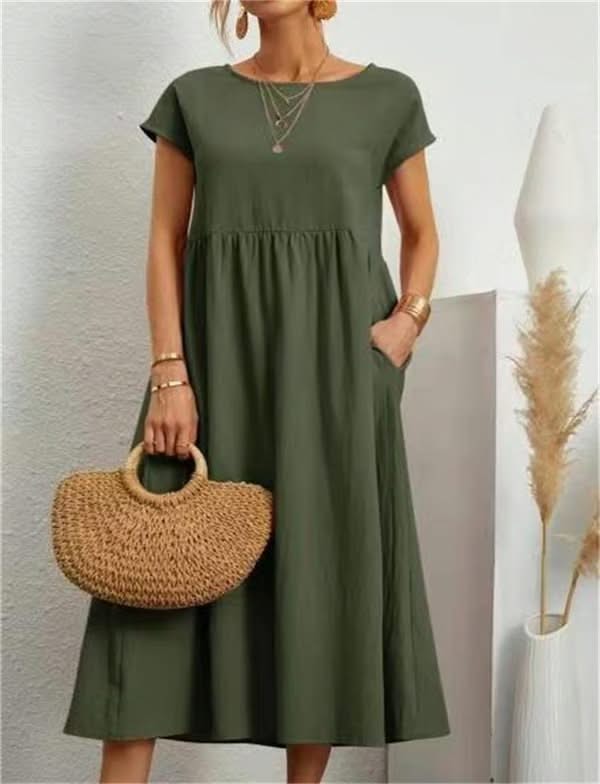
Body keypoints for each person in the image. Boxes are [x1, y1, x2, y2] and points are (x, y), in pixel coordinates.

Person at [62, 1, 450, 781]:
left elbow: (421, 232)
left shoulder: (389, 97)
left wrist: (407, 322)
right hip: (211, 364)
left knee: (323, 570)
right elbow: (165, 240)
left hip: (338, 374)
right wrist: (169, 372)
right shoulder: (194, 98)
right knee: (151, 581)